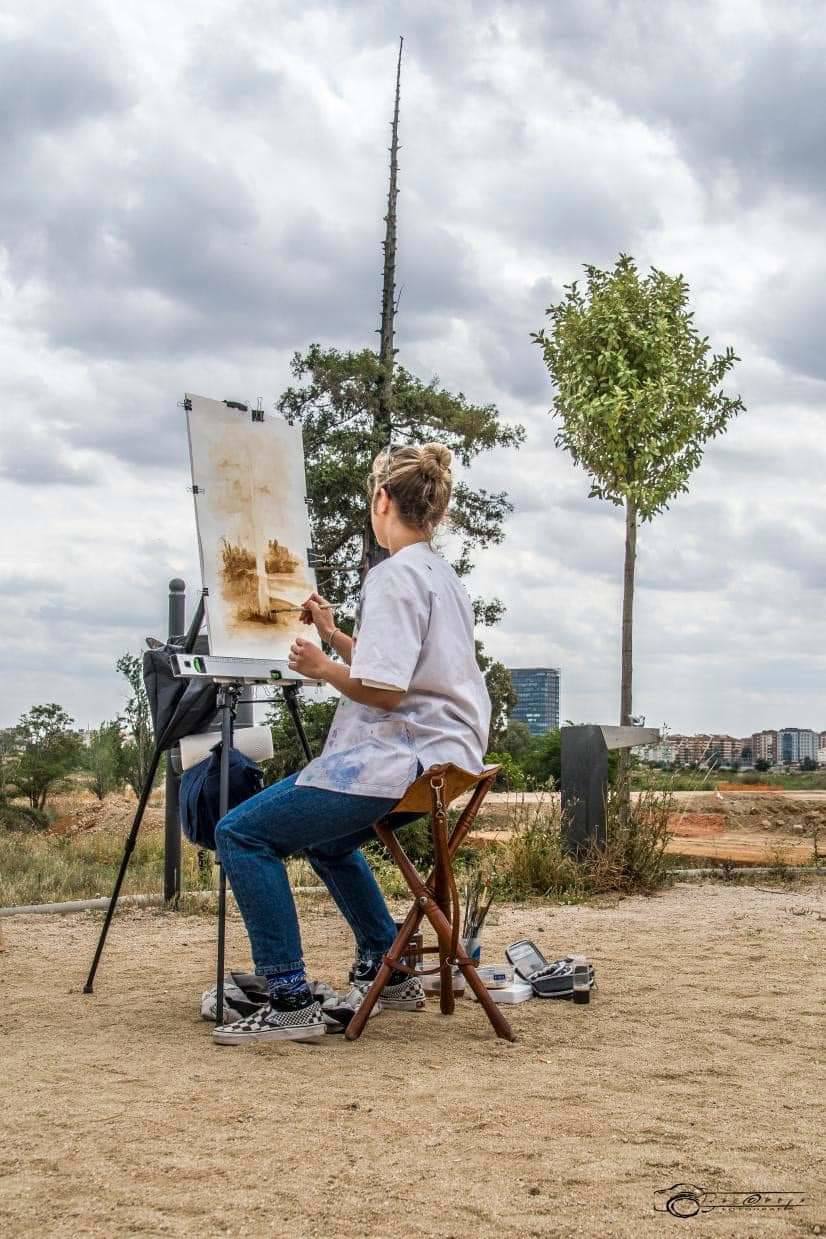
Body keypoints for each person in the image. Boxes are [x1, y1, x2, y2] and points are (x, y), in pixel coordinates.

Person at [213, 443, 491, 1044]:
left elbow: (385, 691)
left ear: (382, 500)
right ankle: (386, 969)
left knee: (240, 834)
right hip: (447, 757)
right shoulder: (440, 577)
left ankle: (290, 1000)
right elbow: (399, 666)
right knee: (330, 844)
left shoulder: (392, 576)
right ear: (436, 511)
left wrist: (322, 668)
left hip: (402, 756)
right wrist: (334, 634)